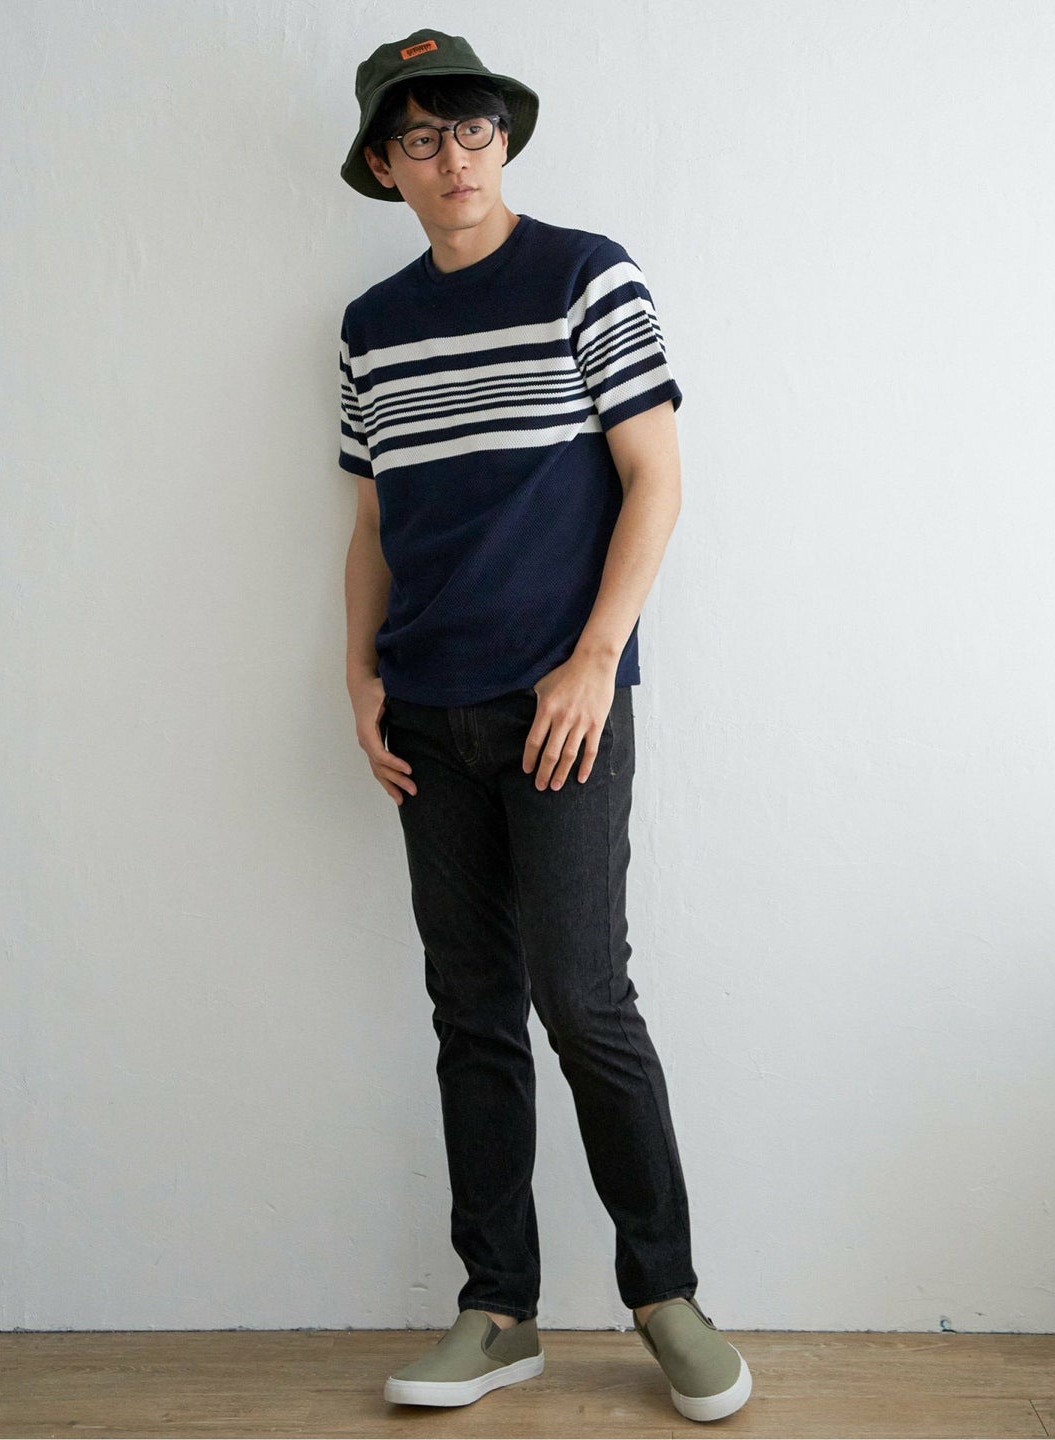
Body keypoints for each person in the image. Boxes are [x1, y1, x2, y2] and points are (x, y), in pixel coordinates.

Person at [337, 28, 753, 1424]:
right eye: (419, 137)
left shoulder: (587, 274)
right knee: (472, 1015)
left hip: (560, 708)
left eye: (469, 128)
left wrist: (593, 661)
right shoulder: (371, 326)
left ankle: (666, 1296)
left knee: (585, 1001)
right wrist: (357, 678)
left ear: (502, 139)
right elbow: (373, 524)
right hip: (426, 717)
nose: (450, 157)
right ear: (384, 166)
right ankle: (497, 1310)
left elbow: (656, 479)